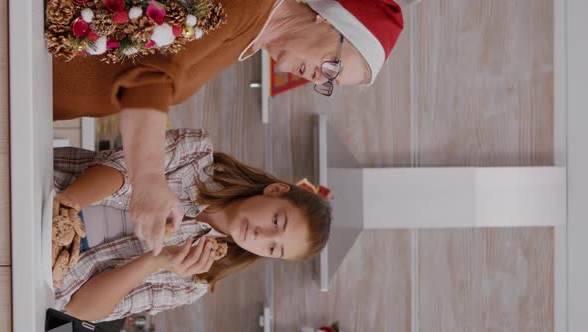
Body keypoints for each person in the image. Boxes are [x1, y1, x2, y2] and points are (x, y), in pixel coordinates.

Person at [51, 0, 402, 255]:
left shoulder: (246, 40)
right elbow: (151, 74)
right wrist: (148, 180)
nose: (318, 77)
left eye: (330, 83)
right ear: (328, 19)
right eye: (333, 67)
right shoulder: (248, 7)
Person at [51, 128, 332, 322]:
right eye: (276, 221)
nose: (261, 235)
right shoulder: (196, 154)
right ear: (276, 191)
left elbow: (78, 308)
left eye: (273, 247)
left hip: (41, 271)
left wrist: (155, 261)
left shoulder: (192, 282)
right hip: (41, 192)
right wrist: (64, 210)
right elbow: (118, 169)